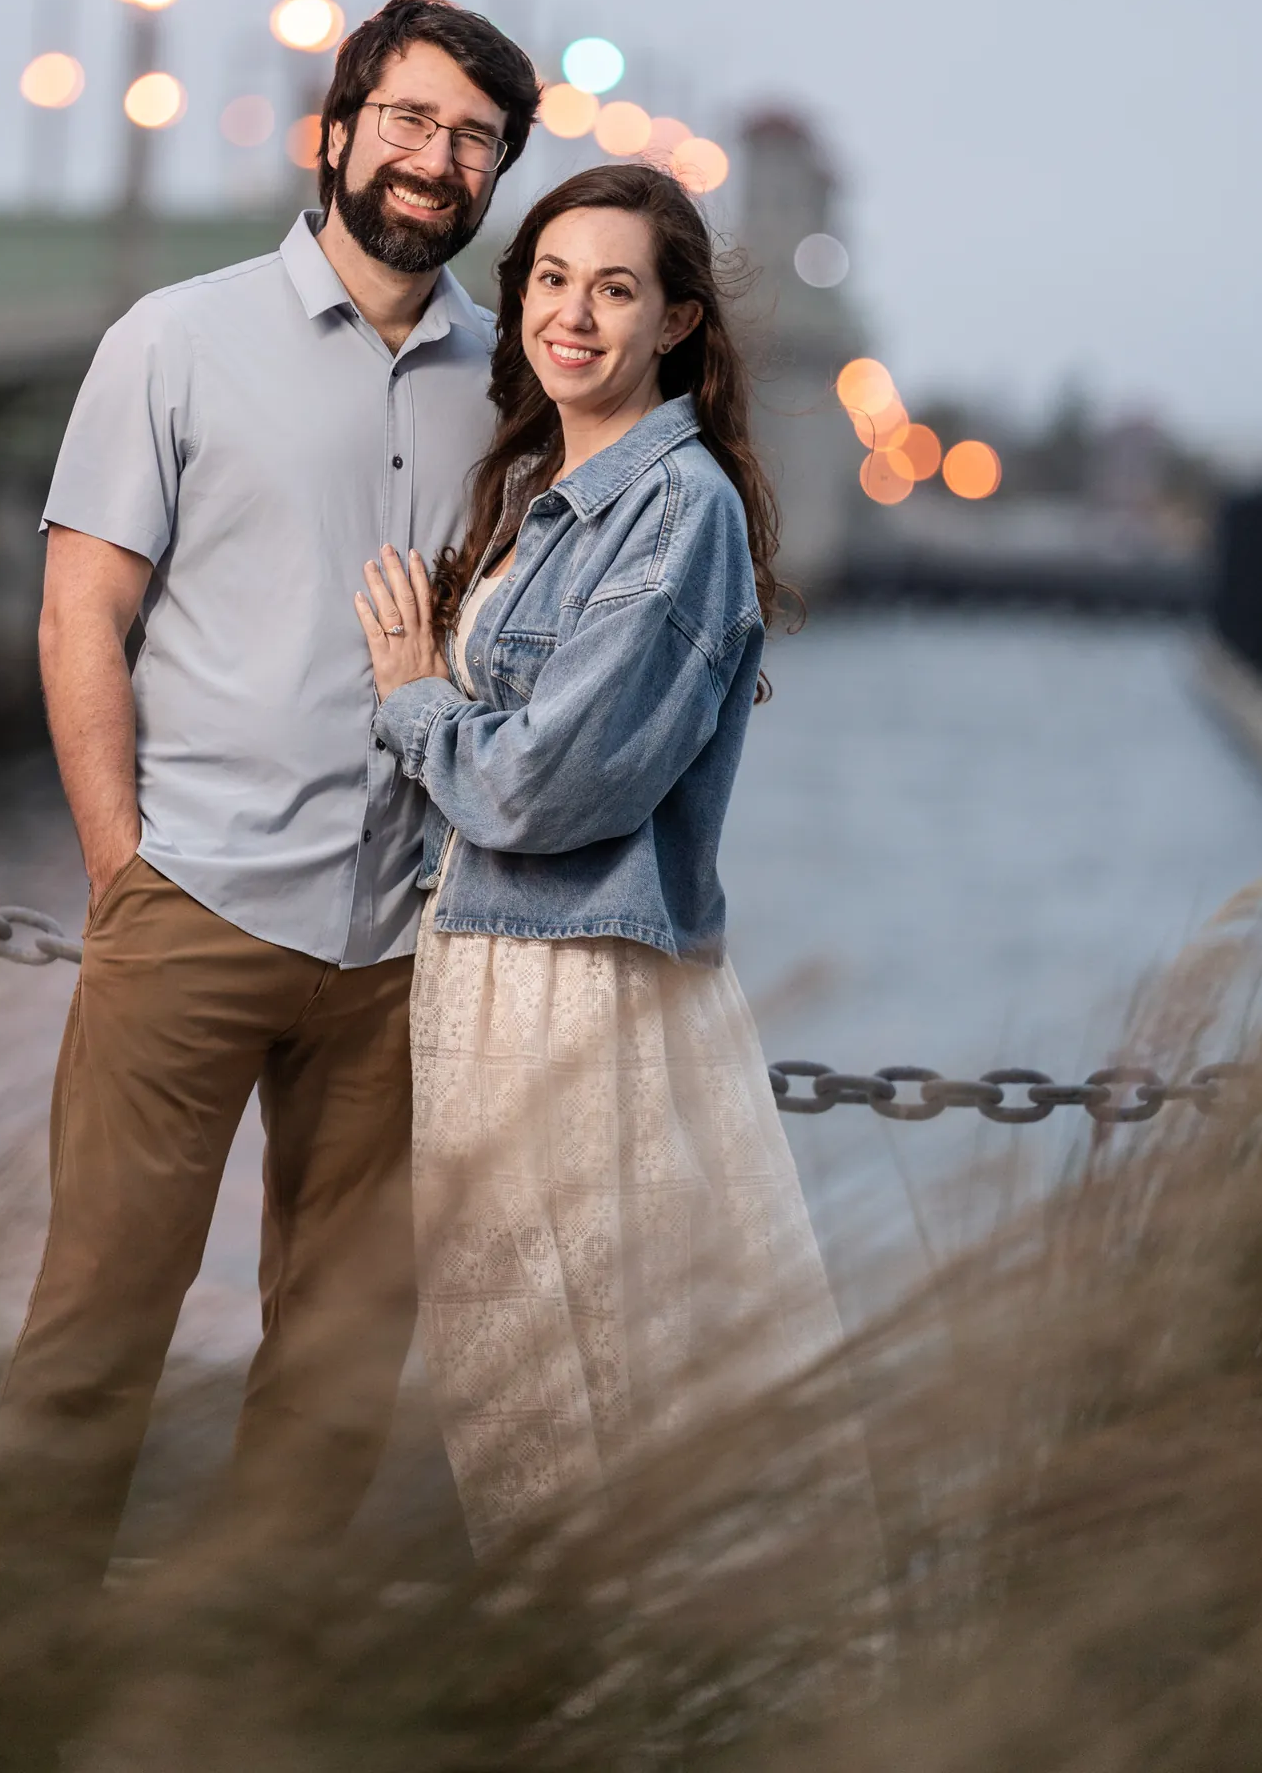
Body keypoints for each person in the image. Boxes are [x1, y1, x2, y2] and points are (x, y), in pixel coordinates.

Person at [0, 0, 540, 1575]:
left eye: (477, 139)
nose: (440, 160)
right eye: (416, 120)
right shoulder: (176, 338)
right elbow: (79, 608)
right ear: (342, 126)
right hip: (195, 908)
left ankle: (233, 1689)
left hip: (398, 955)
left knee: (337, 1375)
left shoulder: (508, 389)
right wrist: (119, 869)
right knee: (96, 1337)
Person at [355, 160, 846, 1553]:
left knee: (592, 1396)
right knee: (512, 1391)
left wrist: (411, 695)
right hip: (489, 970)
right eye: (552, 281)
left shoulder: (673, 511)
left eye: (616, 288)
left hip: (571, 987)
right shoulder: (537, 485)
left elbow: (547, 788)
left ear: (679, 321)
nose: (573, 314)